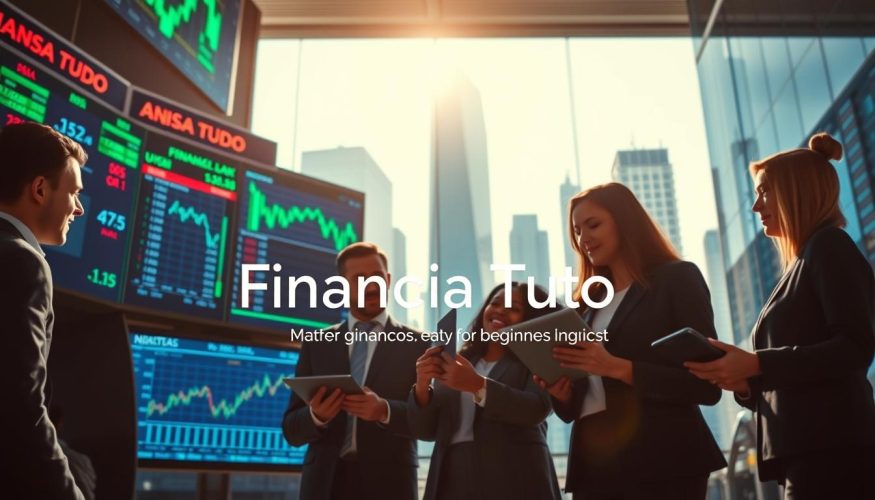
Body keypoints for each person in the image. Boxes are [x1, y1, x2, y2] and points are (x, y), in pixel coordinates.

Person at [685, 133, 875, 499]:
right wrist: (743, 382)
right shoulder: (800, 265)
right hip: (808, 455)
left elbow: (854, 349)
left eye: (765, 192)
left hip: (835, 454)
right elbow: (795, 374)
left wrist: (756, 365)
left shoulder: (830, 247)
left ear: (797, 192)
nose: (756, 207)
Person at [539, 183, 726, 499]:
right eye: (577, 231)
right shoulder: (587, 306)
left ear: (625, 221)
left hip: (663, 461)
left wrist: (618, 367)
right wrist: (563, 393)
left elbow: (706, 385)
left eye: (593, 225)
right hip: (594, 465)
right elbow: (574, 409)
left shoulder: (677, 278)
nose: (584, 239)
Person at [281, 242, 428, 500]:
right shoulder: (316, 343)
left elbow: (429, 424)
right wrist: (317, 415)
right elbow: (292, 430)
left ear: (389, 279)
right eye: (359, 279)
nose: (371, 286)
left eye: (377, 277)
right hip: (324, 486)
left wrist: (385, 410)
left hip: (390, 486)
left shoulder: (418, 344)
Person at [408, 282, 563, 500]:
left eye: (514, 308)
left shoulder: (534, 359)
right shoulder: (460, 361)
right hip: (451, 476)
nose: (500, 310)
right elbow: (425, 431)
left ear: (529, 317)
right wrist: (423, 387)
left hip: (514, 475)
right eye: (495, 303)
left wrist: (477, 385)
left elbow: (536, 409)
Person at [0, 122, 87, 499]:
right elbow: (21, 409)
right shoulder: (24, 262)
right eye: (74, 193)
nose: (79, 208)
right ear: (39, 189)